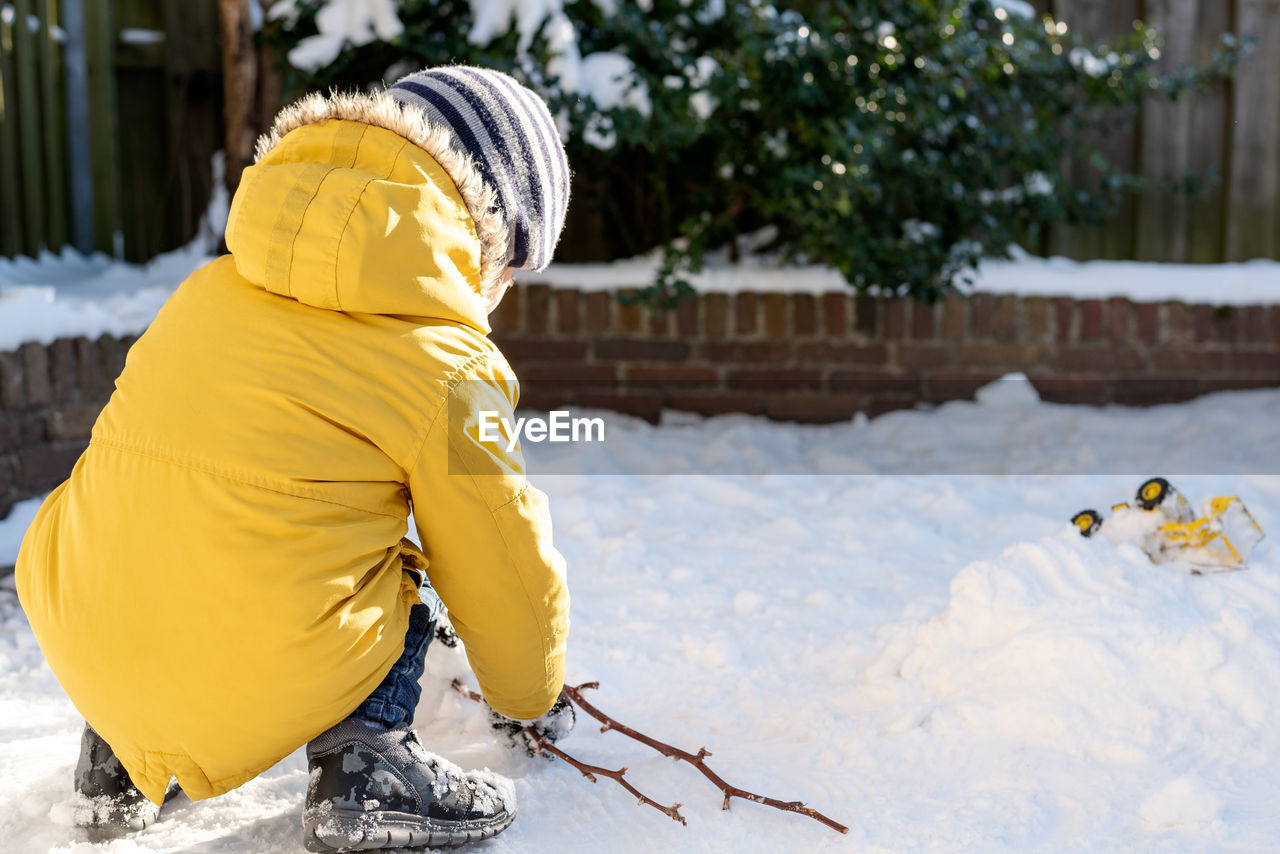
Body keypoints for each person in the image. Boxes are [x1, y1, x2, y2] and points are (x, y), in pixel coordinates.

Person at [16, 65, 573, 852]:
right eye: (513, 267)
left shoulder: (211, 287)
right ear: (485, 231)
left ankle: (120, 753)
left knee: (160, 502)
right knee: (401, 562)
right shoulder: (448, 367)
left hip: (80, 622)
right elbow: (502, 563)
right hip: (257, 650)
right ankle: (366, 770)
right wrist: (528, 692)